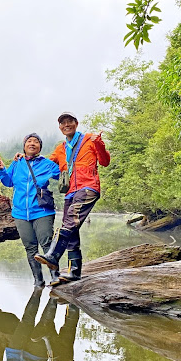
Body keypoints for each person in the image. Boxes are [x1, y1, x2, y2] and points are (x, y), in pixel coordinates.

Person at [35, 112, 110, 285]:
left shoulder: (90, 139)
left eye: (69, 121)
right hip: (70, 192)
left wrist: (99, 144)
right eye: (62, 123)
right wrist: (26, 158)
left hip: (88, 187)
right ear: (60, 127)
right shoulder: (61, 148)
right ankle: (74, 272)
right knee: (72, 230)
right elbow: (46, 164)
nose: (66, 125)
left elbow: (105, 162)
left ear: (76, 124)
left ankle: (53, 255)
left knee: (70, 222)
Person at [0, 133, 60, 287]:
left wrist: (61, 159)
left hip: (42, 211)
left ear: (40, 147)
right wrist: (2, 170)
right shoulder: (17, 163)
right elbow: (8, 182)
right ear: (24, 146)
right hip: (20, 213)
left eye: (36, 142)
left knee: (46, 244)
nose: (32, 143)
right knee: (30, 248)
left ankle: (55, 277)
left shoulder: (47, 164)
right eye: (29, 141)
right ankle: (38, 281)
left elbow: (62, 174)